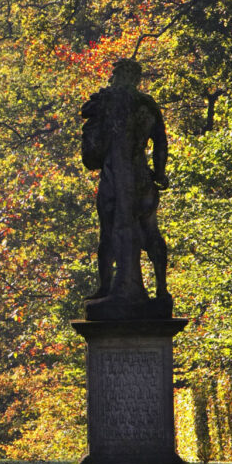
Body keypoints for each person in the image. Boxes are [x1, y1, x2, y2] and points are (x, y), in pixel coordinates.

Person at [80, 59, 171, 319]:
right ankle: (161, 290)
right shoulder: (147, 106)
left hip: (113, 178)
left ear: (116, 76)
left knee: (108, 231)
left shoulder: (105, 102)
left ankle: (107, 286)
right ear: (137, 79)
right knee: (150, 231)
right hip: (142, 179)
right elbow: (161, 144)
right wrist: (161, 173)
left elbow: (91, 151)